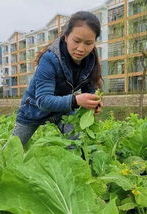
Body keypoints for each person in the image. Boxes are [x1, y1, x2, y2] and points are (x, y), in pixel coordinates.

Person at [13, 11, 103, 146]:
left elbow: (89, 90)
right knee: (12, 150)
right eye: (76, 41)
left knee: (78, 145)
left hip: (63, 110)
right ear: (66, 37)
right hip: (34, 109)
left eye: (88, 43)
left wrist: (94, 102)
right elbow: (43, 100)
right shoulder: (49, 59)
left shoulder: (90, 61)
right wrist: (76, 100)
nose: (81, 48)